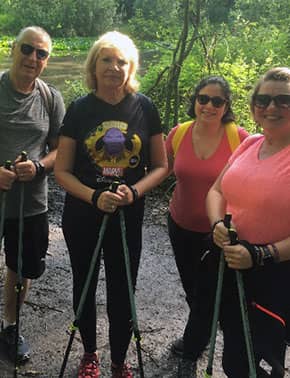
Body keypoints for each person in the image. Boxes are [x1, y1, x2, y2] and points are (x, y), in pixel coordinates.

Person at [54, 30, 167, 378]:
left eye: (122, 61)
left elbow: (162, 166)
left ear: (130, 67)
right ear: (94, 64)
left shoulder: (145, 107)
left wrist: (133, 192)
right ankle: (90, 354)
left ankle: (119, 359)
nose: (114, 67)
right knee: (84, 284)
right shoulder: (79, 109)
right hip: (83, 213)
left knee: (123, 288)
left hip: (126, 214)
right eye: (107, 59)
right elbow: (62, 170)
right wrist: (93, 196)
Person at [206, 67, 290, 377]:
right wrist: (217, 224)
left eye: (284, 100)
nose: (271, 107)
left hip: (275, 275)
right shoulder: (251, 143)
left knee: (264, 357)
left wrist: (261, 254)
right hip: (232, 263)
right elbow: (216, 189)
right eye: (264, 99)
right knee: (236, 355)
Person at [165, 76, 249, 377]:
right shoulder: (179, 133)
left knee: (207, 293)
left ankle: (190, 350)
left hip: (219, 233)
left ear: (226, 106)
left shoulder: (238, 137)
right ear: (195, 101)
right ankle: (198, 335)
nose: (209, 106)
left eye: (217, 101)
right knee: (192, 290)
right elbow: (162, 167)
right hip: (180, 224)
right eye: (203, 99)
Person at [0, 26, 65, 363]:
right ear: (13, 49)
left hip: (31, 202)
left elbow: (60, 151)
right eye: (27, 49)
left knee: (21, 267)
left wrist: (39, 167)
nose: (33, 58)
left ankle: (10, 326)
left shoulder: (50, 98)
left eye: (41, 53)